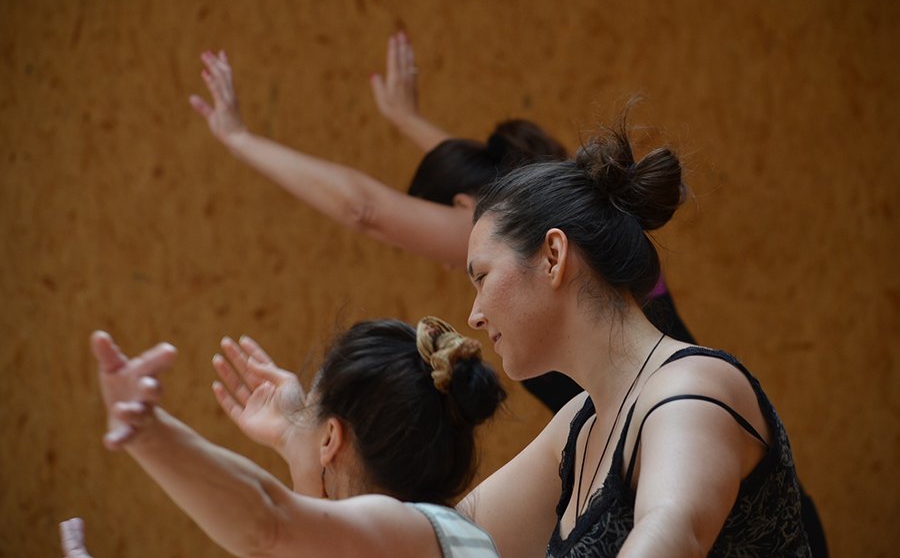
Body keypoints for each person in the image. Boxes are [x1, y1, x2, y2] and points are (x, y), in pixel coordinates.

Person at [188, 32, 695, 414]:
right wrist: (406, 119)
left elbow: (364, 209)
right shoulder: (594, 214)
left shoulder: (512, 225)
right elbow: (501, 180)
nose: (458, 270)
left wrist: (240, 139)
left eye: (476, 270)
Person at [453, 116, 813, 556]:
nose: (474, 316)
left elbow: (673, 533)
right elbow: (450, 541)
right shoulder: (578, 425)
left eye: (482, 277)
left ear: (552, 256)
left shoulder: (691, 390)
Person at [79, 317, 504, 557]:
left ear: (331, 439)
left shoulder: (403, 529)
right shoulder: (457, 537)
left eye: (307, 408)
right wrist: (295, 436)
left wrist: (147, 432)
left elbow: (267, 522)